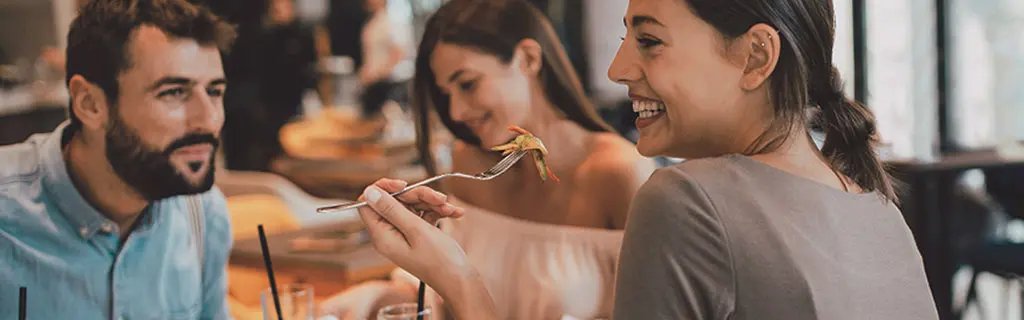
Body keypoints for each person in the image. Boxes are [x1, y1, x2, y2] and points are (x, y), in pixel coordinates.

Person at [350, 0, 941, 319]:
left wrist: (457, 280)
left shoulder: (688, 199)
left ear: (756, 56)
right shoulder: (880, 210)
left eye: (650, 40)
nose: (618, 69)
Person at [320, 0, 654, 319]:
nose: (456, 112)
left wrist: (462, 284)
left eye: (467, 84)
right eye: (445, 95)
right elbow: (442, 302)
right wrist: (368, 302)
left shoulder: (618, 173)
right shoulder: (468, 163)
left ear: (527, 59)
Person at [0, 1, 236, 318]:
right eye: (174, 93)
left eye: (214, 92)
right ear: (90, 103)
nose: (208, 120)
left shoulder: (204, 215)